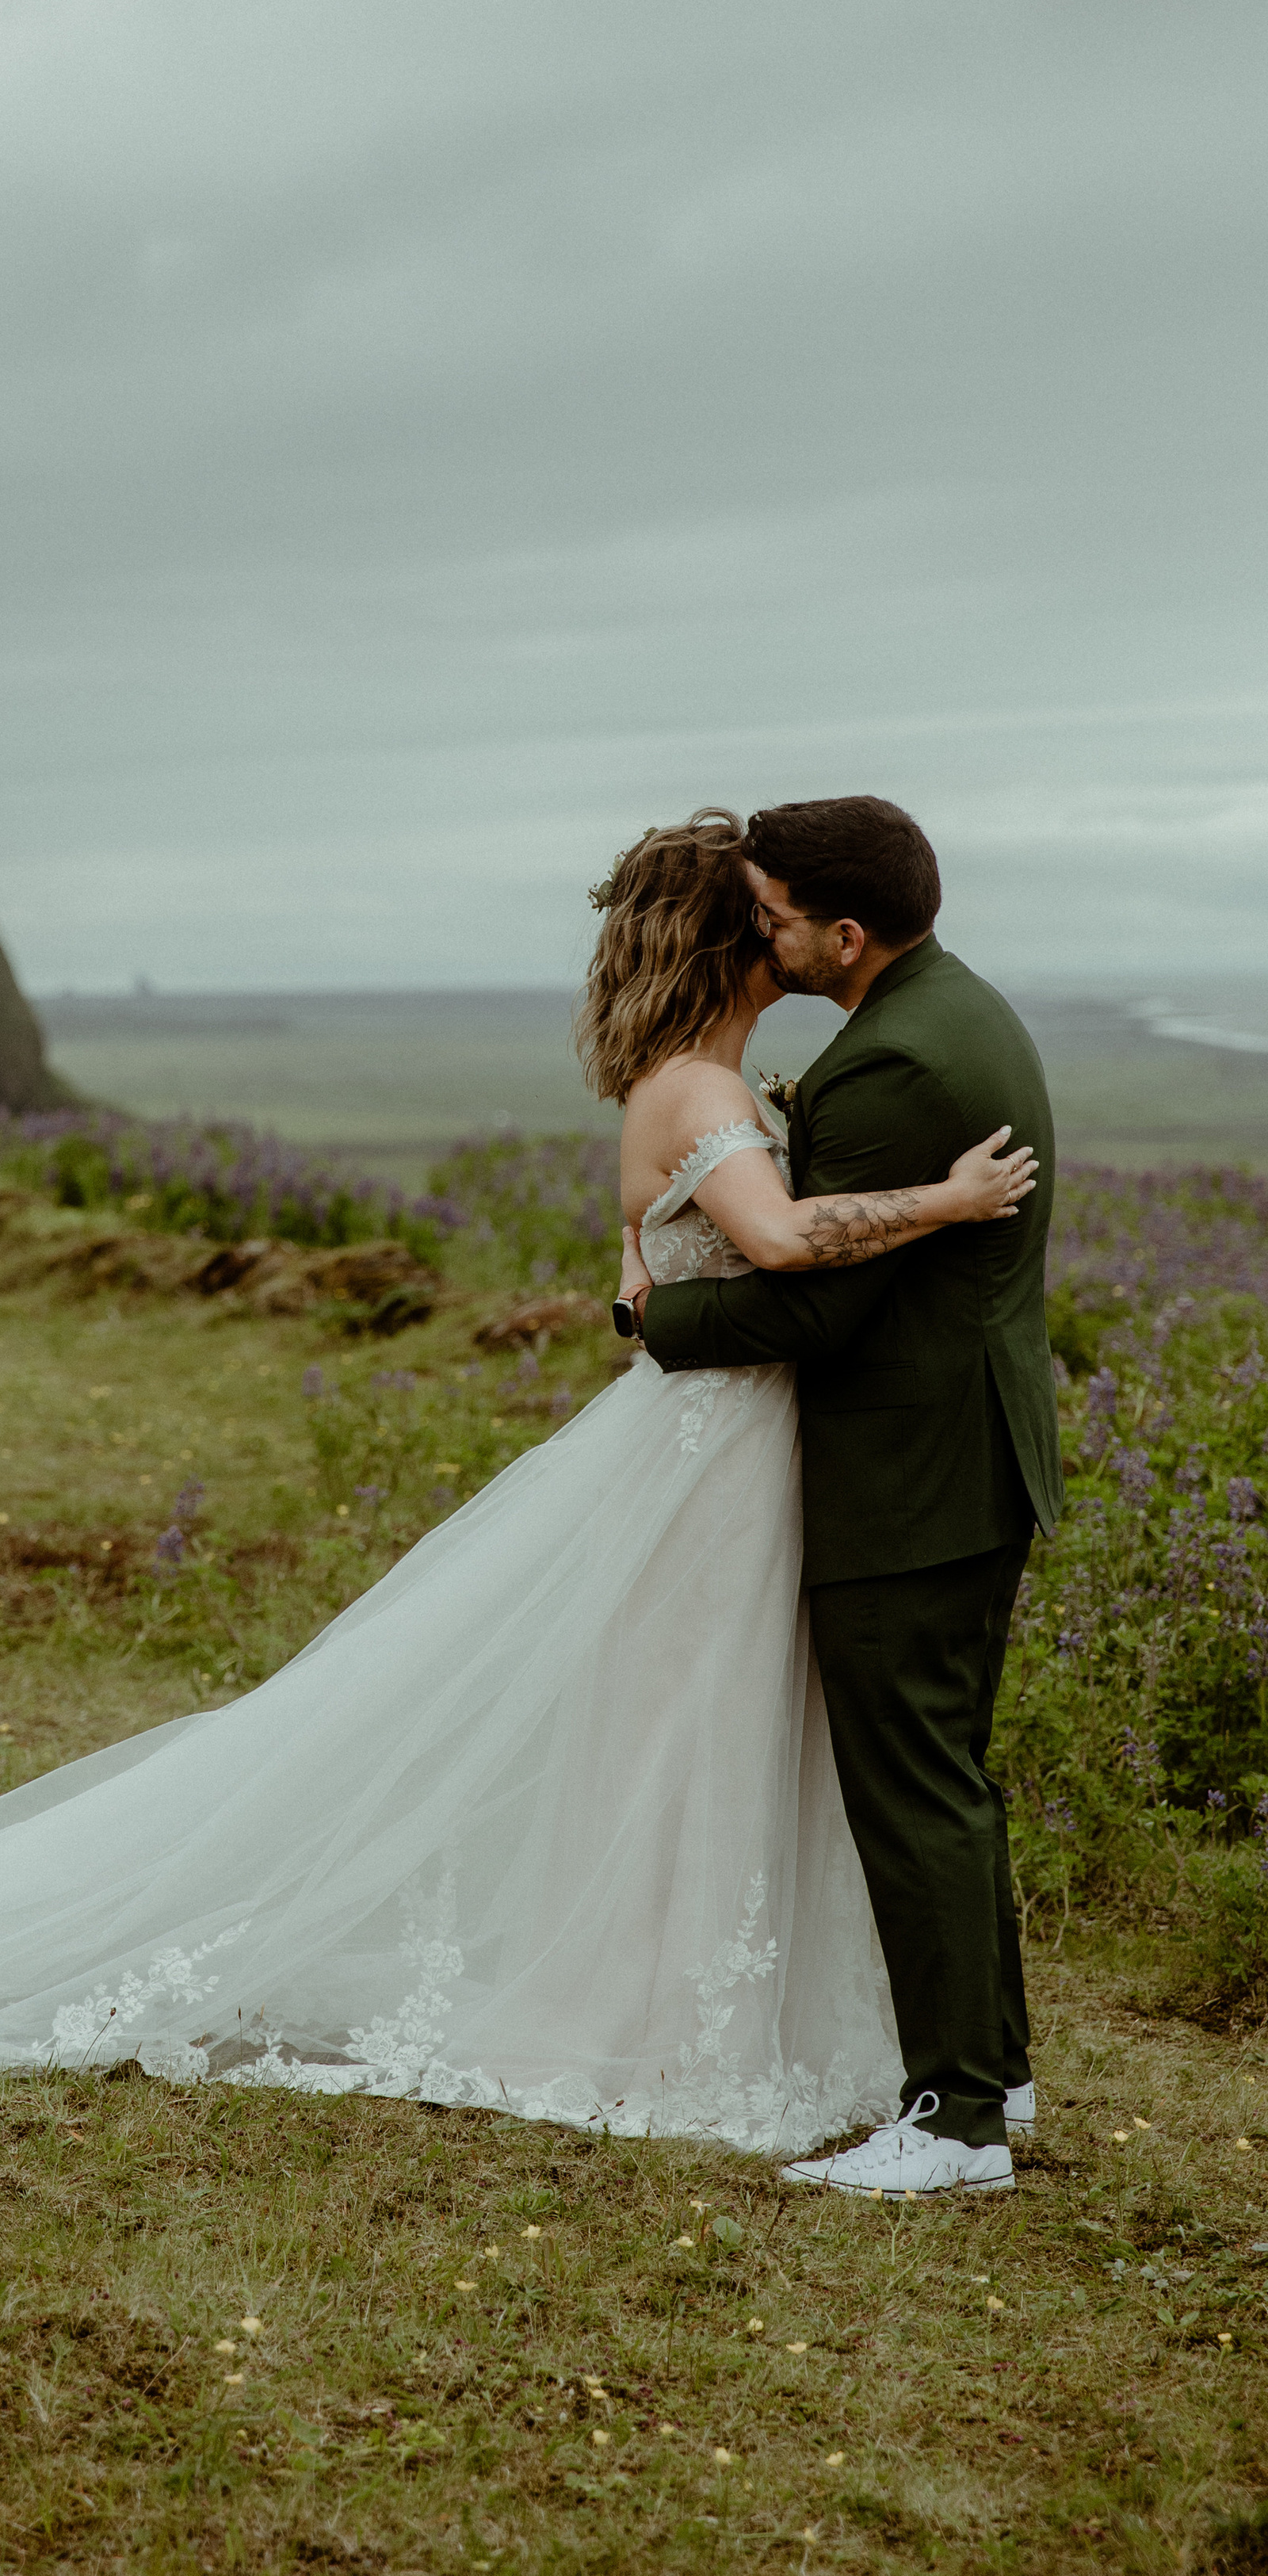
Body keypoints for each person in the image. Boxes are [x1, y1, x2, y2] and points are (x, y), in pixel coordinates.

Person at [0, 811, 1033, 2157]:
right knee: (673, 1727)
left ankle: (698, 2010)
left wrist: (659, 1301)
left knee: (688, 1729)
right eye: (763, 916)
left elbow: (671, 1275)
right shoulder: (702, 1090)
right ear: (743, 943)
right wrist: (945, 1206)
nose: (781, 934)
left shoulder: (709, 1083)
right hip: (708, 1462)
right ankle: (662, 2022)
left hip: (726, 1455)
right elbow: (773, 1245)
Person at [628, 794, 1061, 2199]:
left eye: (778, 916)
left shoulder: (886, 1067)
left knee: (914, 1787)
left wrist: (651, 1319)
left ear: (847, 934)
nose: (764, 935)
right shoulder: (961, 1007)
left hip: (910, 1472)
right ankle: (996, 2071)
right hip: (971, 1454)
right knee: (951, 1774)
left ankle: (955, 2126)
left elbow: (816, 1313)